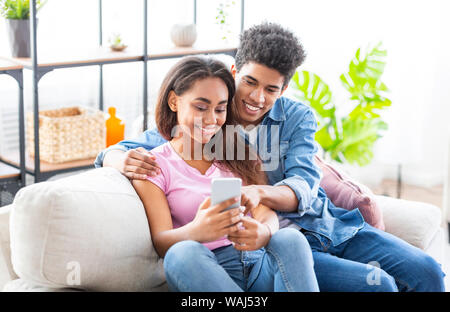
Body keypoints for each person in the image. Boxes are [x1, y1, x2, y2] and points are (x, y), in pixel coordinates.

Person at [95, 23, 445, 292]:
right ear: (235, 73)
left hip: (322, 227)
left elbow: (304, 185)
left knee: (426, 271)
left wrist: (259, 196)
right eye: (250, 82)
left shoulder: (296, 117)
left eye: (271, 89)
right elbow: (150, 145)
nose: (257, 97)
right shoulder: (207, 117)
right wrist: (114, 158)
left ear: (284, 89)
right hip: (269, 243)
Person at [130, 55, 319, 292]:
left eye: (220, 109)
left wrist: (263, 231)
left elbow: (264, 212)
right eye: (200, 107)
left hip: (259, 266)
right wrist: (196, 230)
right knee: (181, 253)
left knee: (290, 239)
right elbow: (161, 242)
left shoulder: (239, 154)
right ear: (174, 101)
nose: (211, 119)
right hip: (209, 268)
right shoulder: (153, 165)